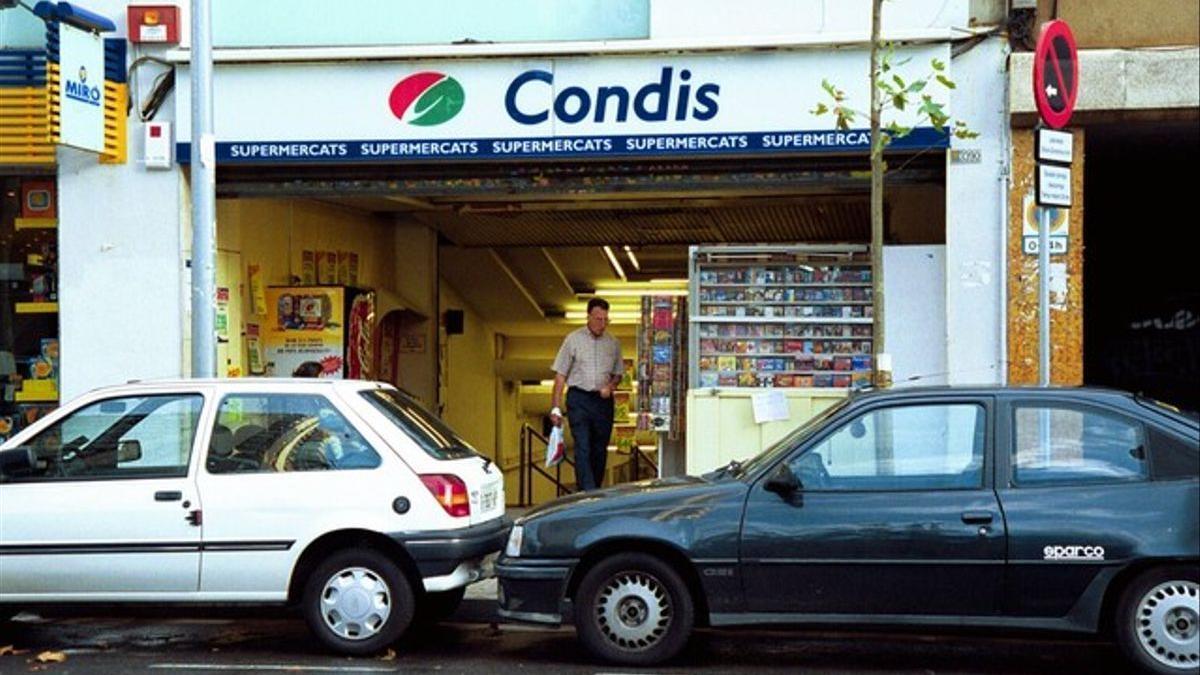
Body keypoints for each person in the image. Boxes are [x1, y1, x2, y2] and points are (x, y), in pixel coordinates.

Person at [550, 298, 623, 491]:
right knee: (583, 446)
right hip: (579, 398)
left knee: (600, 449)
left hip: (602, 401)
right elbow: (560, 375)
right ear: (588, 317)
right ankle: (587, 491)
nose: (602, 324)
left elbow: (618, 374)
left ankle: (595, 489)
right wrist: (555, 407)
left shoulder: (613, 343)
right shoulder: (573, 340)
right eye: (598, 319)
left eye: (606, 319)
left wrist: (611, 386)